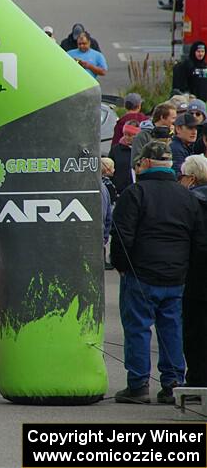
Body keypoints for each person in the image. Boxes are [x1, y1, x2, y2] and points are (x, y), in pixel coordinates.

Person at [111, 141, 206, 404]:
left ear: (147, 163)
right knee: (171, 327)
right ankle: (173, 382)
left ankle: (139, 384)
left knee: (138, 328)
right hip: (176, 276)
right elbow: (199, 240)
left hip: (141, 273)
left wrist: (121, 266)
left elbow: (121, 237)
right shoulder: (187, 196)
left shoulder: (135, 193)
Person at [180, 155, 207, 393]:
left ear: (191, 178)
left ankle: (197, 379)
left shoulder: (188, 203)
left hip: (194, 277)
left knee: (194, 331)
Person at [131, 102, 176, 168]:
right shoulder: (142, 135)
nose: (175, 121)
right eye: (173, 118)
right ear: (162, 117)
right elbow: (135, 162)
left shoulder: (172, 134)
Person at [110, 122, 139, 194]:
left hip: (137, 188)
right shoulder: (116, 150)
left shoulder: (141, 149)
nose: (126, 137)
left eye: (130, 135)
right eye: (125, 134)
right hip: (120, 190)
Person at [170, 112, 199, 177]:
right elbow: (180, 177)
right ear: (178, 129)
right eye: (190, 128)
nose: (194, 132)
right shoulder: (176, 149)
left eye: (196, 128)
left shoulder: (188, 146)